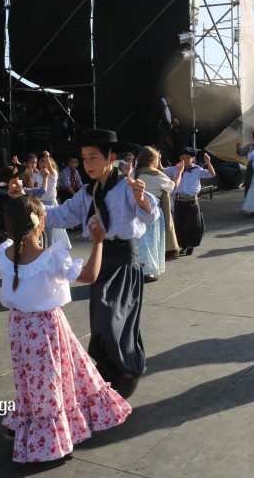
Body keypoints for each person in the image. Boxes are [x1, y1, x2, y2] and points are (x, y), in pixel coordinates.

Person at [0, 195, 131, 463]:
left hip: (20, 326)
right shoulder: (51, 257)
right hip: (46, 326)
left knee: (30, 377)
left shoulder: (3, 253)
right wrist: (98, 242)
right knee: (50, 379)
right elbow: (90, 276)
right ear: (40, 223)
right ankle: (50, 440)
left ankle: (31, 419)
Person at [43, 129, 159, 399]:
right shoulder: (87, 193)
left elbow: (150, 215)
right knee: (100, 325)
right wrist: (26, 206)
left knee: (114, 322)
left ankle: (129, 370)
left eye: (93, 157)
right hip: (100, 261)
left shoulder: (127, 187)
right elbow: (60, 215)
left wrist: (141, 198)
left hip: (124, 261)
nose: (87, 163)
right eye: (84, 158)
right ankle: (110, 373)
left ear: (111, 158)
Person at [163, 147, 216, 256]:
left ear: (193, 159)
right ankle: (183, 245)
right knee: (180, 224)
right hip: (179, 200)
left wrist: (208, 162)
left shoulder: (197, 169)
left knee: (192, 224)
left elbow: (211, 174)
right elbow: (161, 171)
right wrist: (158, 159)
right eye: (182, 158)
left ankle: (191, 245)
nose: (185, 160)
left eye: (188, 158)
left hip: (192, 201)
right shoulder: (175, 169)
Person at [134, 146, 176, 282]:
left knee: (139, 243)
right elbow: (171, 186)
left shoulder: (134, 174)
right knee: (151, 242)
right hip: (153, 213)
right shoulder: (157, 175)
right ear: (153, 161)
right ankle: (149, 272)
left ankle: (137, 270)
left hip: (135, 212)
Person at [36, 151, 71, 250]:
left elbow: (50, 169)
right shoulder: (38, 175)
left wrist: (47, 157)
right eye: (41, 167)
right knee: (39, 226)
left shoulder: (53, 174)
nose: (42, 169)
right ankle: (39, 246)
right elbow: (28, 172)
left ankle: (51, 246)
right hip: (40, 203)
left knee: (50, 228)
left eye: (45, 167)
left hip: (51, 203)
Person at [156, 95, 179, 165]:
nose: (171, 103)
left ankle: (166, 162)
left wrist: (173, 120)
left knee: (167, 146)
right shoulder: (161, 104)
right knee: (163, 146)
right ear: (168, 98)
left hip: (166, 129)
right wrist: (170, 125)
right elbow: (163, 117)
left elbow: (167, 116)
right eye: (172, 101)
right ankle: (163, 163)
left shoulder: (165, 106)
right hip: (162, 129)